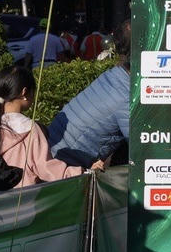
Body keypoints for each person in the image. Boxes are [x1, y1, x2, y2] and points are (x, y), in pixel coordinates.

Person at [0, 64, 88, 186]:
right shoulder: (30, 129)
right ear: (24, 92)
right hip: (26, 196)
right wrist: (81, 172)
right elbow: (46, 168)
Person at [47, 21, 131, 167]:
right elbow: (142, 145)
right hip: (64, 162)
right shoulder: (125, 95)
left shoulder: (113, 76)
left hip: (55, 146)